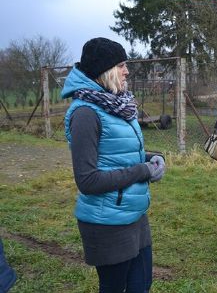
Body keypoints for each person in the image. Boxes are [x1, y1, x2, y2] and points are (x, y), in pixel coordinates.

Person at [61, 37, 165, 292]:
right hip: (106, 221)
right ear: (103, 71)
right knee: (114, 287)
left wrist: (150, 158)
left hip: (134, 214)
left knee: (141, 285)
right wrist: (142, 171)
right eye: (120, 65)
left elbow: (119, 154)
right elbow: (87, 180)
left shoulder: (117, 105)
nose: (127, 71)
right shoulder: (85, 114)